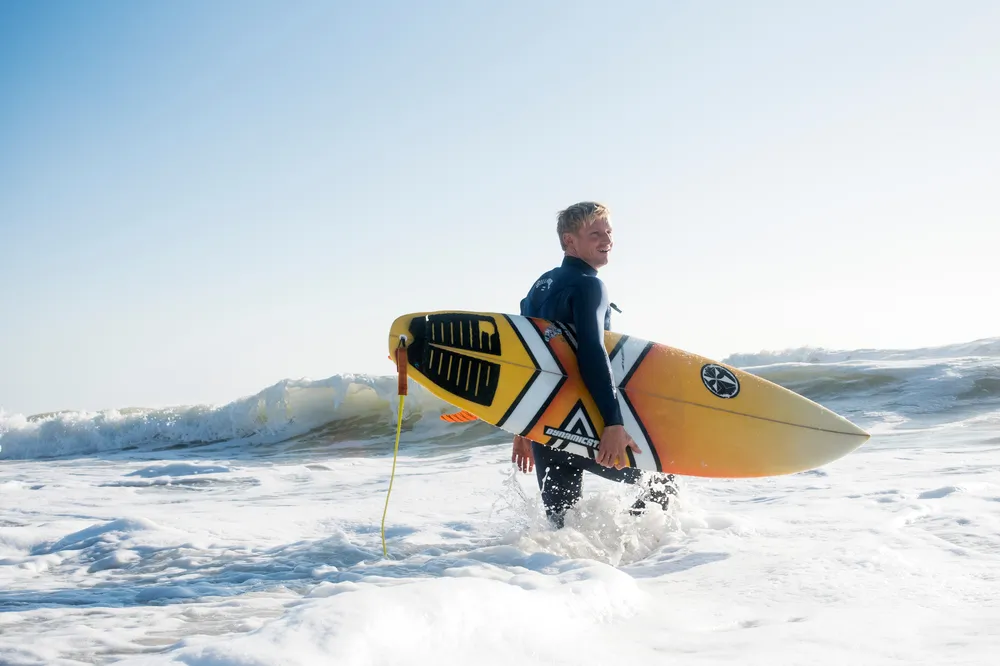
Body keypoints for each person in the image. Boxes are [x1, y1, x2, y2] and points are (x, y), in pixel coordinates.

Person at [512, 201, 675, 528]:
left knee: (562, 532)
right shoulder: (589, 285)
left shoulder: (538, 288)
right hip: (586, 423)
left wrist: (522, 428)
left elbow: (526, 359)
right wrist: (613, 423)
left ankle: (564, 578)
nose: (607, 239)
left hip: (546, 429)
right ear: (570, 241)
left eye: (609, 232)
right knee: (661, 484)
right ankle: (642, 559)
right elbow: (591, 351)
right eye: (595, 233)